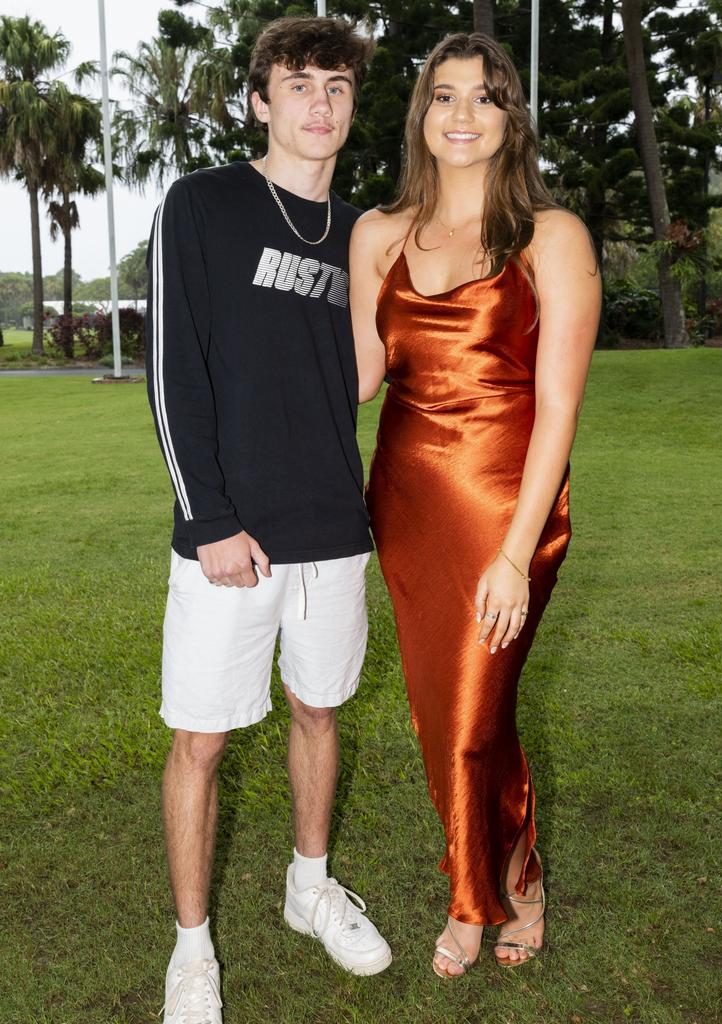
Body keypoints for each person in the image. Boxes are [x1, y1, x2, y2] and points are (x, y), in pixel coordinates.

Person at [145, 17, 391, 1023]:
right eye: (299, 85)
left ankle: (308, 885)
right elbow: (172, 372)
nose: (319, 103)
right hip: (229, 535)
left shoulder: (365, 234)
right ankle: (192, 949)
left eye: (336, 86)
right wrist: (209, 517)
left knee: (319, 711)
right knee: (202, 739)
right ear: (259, 101)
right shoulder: (200, 204)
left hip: (335, 526)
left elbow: (369, 381)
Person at [350, 32, 601, 977]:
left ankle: (475, 900)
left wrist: (513, 551)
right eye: (443, 95)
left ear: (509, 119)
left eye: (484, 97)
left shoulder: (551, 235)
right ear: (420, 113)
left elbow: (562, 404)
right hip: (407, 503)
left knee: (468, 716)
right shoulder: (377, 234)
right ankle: (520, 870)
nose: (461, 114)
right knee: (452, 713)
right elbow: (362, 381)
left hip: (509, 509)